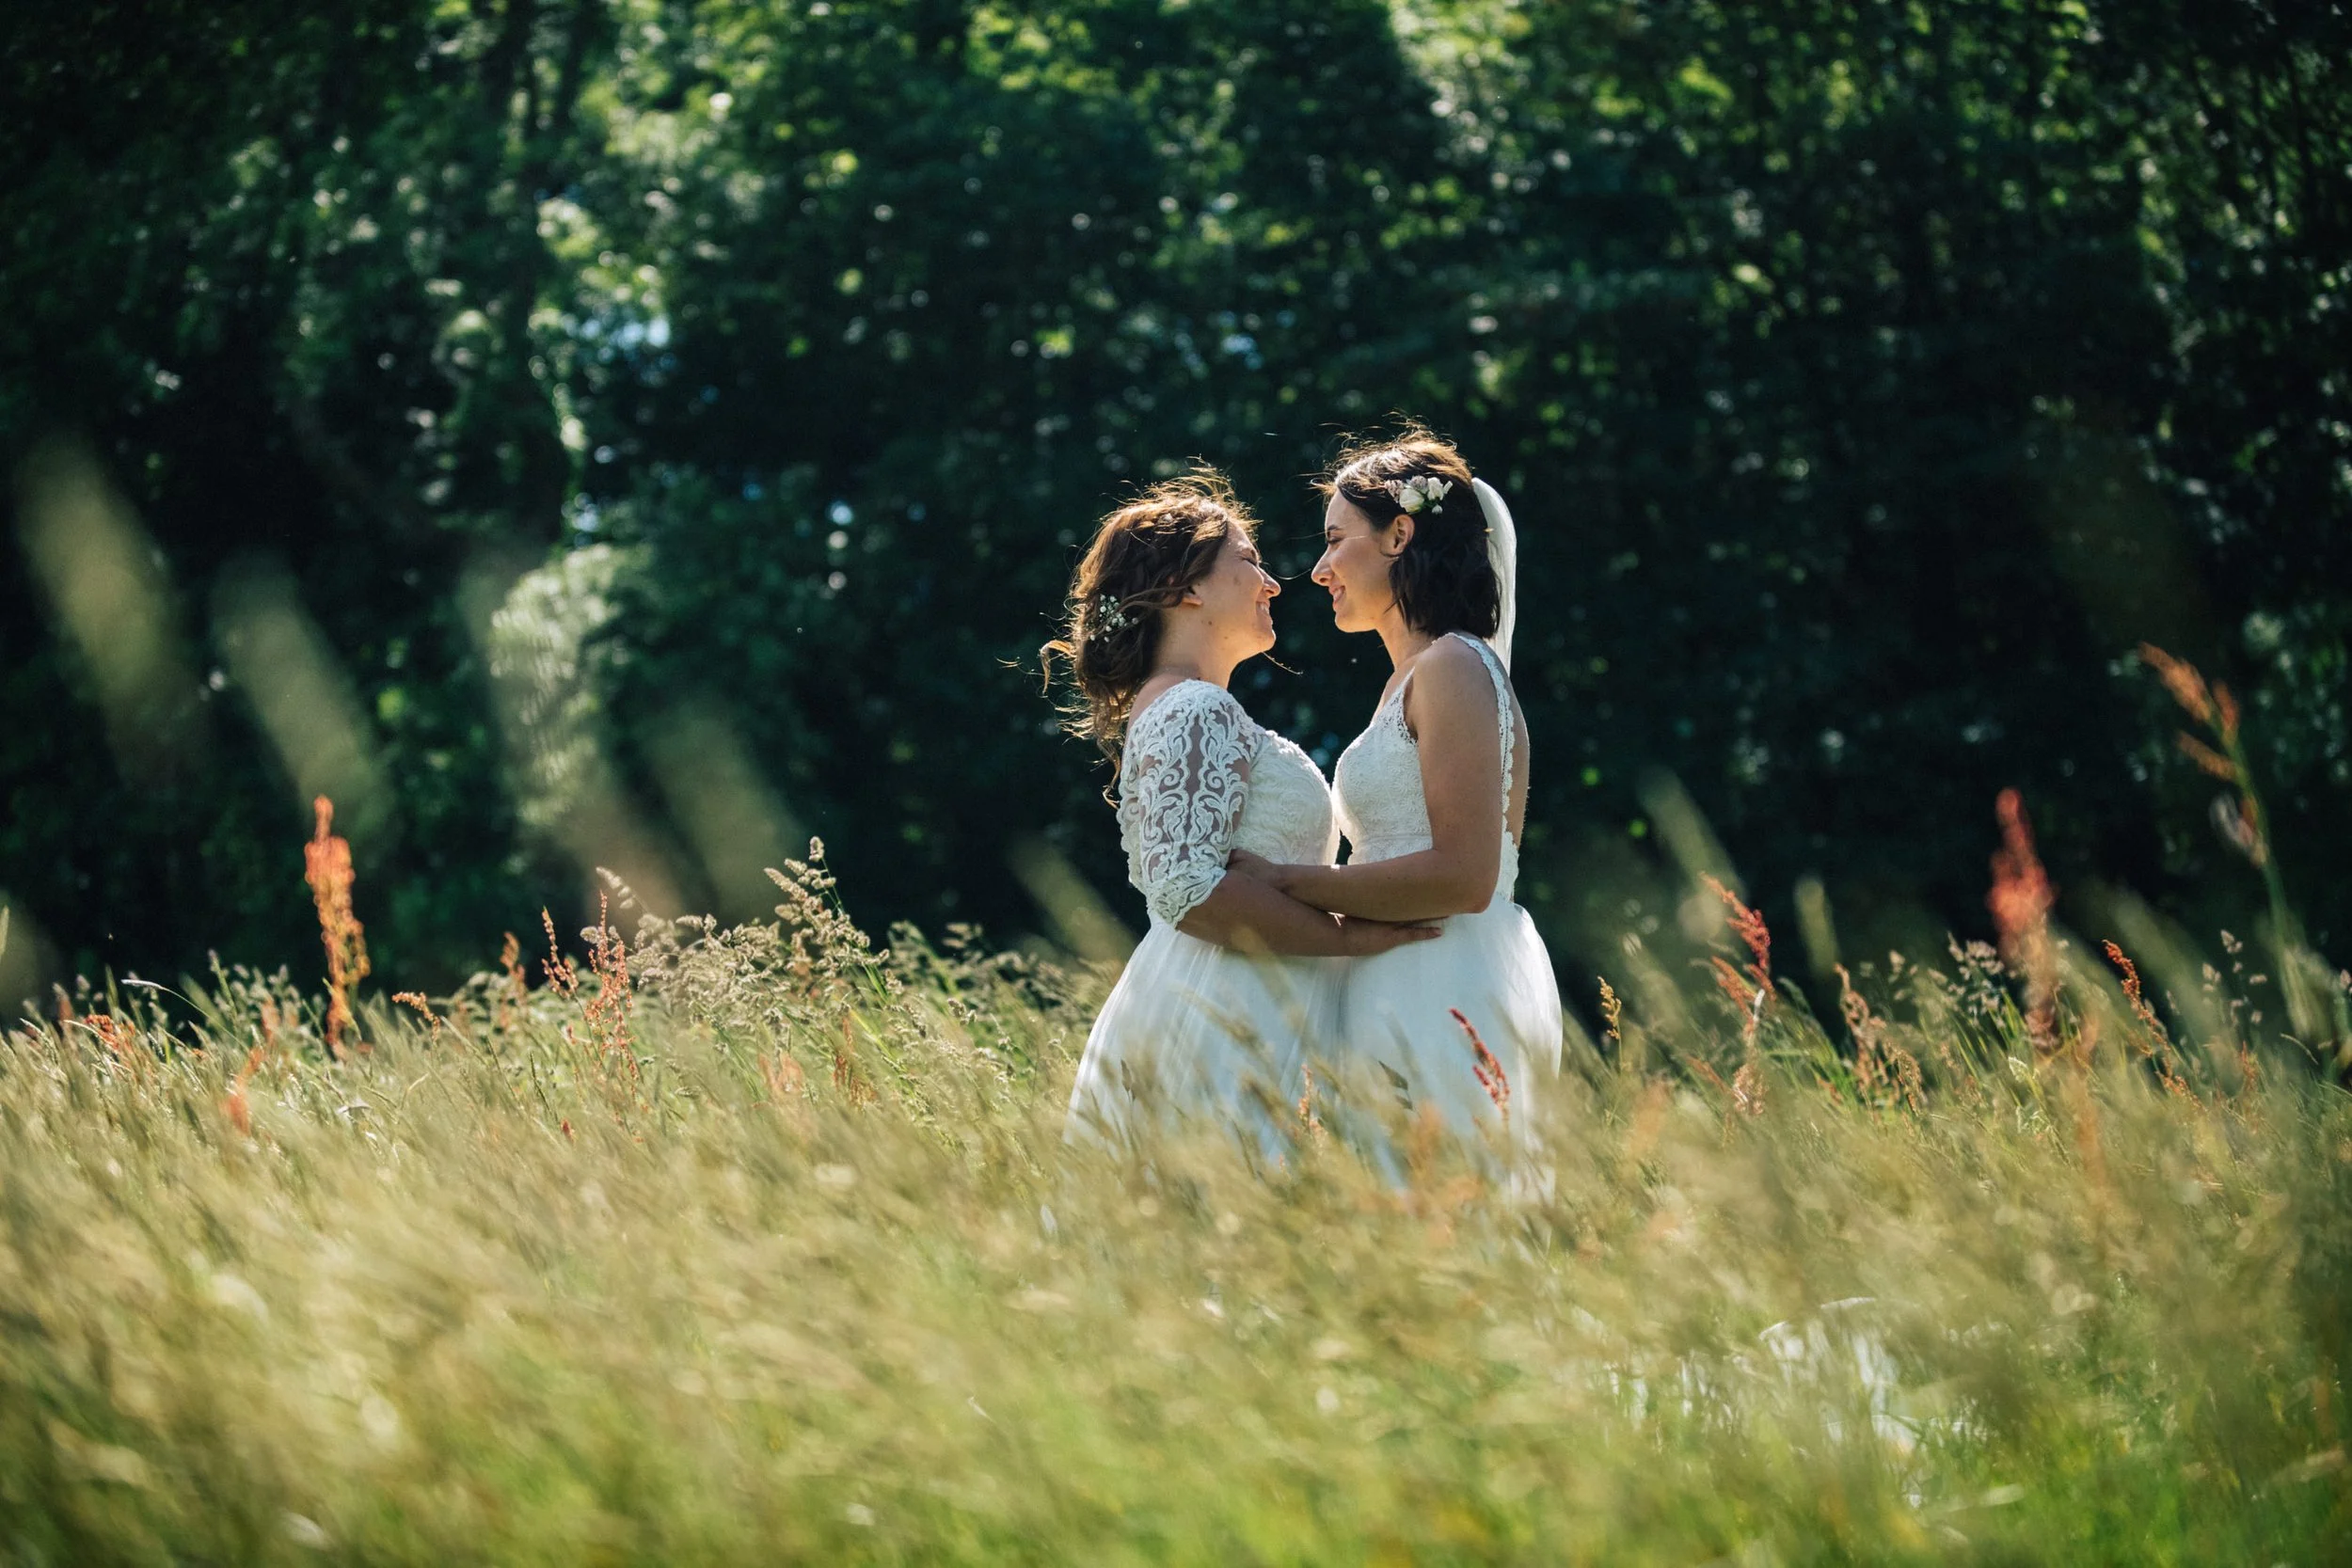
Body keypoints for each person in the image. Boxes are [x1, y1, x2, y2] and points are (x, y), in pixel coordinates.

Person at [1041, 470, 1437, 1156]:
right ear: (1187, 589)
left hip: (1234, 998)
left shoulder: (1177, 705)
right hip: (1222, 1016)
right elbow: (1186, 886)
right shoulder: (1196, 707)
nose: (1274, 582)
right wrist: (1343, 939)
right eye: (1250, 561)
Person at [1226, 430, 1563, 1155]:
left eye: (1335, 539)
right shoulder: (1409, 679)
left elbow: (1466, 875)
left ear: (1398, 534)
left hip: (1442, 984)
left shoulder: (1452, 667)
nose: (1318, 569)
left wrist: (1288, 884)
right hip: (1397, 983)